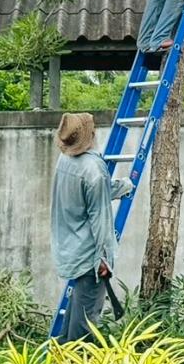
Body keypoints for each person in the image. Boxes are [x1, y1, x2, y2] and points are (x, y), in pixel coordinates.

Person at [50, 113, 133, 342]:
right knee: (85, 325)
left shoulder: (65, 160)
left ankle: (61, 363)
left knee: (75, 315)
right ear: (91, 134)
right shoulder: (93, 169)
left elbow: (88, 194)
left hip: (69, 247)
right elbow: (100, 217)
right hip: (89, 256)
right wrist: (104, 259)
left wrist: (120, 187)